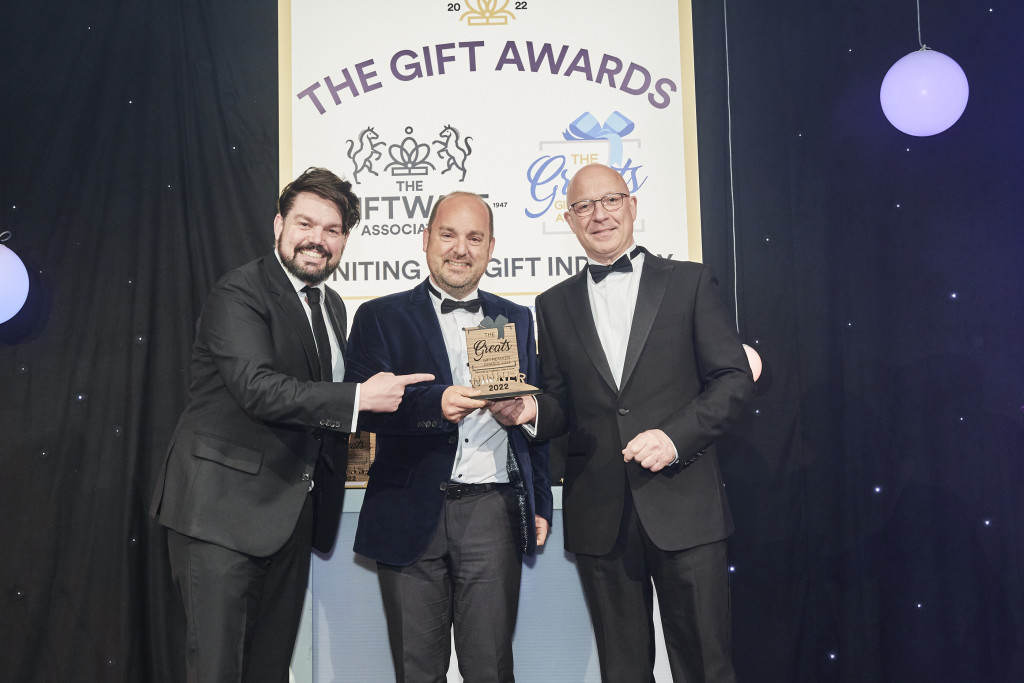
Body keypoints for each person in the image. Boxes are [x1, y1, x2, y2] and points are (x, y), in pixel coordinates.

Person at [149, 167, 432, 683]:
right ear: (278, 224)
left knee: (269, 670)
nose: (316, 241)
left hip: (289, 518)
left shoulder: (332, 306)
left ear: (345, 240)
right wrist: (359, 398)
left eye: (331, 230)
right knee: (216, 671)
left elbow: (324, 411)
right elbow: (257, 387)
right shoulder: (239, 292)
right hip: (221, 516)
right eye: (305, 223)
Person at [490, 163, 755, 682]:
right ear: (568, 220)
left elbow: (732, 379)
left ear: (632, 206)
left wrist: (675, 438)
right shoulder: (552, 303)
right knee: (622, 671)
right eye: (584, 206)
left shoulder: (690, 282)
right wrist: (531, 410)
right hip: (601, 514)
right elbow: (564, 402)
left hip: (686, 506)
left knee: (706, 664)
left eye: (610, 201)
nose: (599, 215)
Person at [344, 191, 553, 683]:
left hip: (493, 514)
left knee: (492, 669)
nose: (461, 248)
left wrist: (539, 501)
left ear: (491, 247)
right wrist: (434, 405)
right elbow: (360, 413)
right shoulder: (379, 316)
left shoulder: (516, 318)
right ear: (425, 239)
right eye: (449, 234)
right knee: (418, 671)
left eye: (474, 237)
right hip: (408, 510)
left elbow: (533, 422)